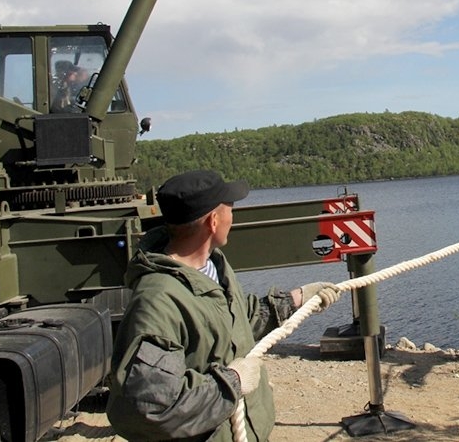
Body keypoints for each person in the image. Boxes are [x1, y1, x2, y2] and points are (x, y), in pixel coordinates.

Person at [106, 170, 341, 441]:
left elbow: (235, 321)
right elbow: (148, 408)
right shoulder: (157, 302)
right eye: (230, 207)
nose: (234, 215)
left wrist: (298, 298)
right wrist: (232, 383)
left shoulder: (212, 265)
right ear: (213, 221)